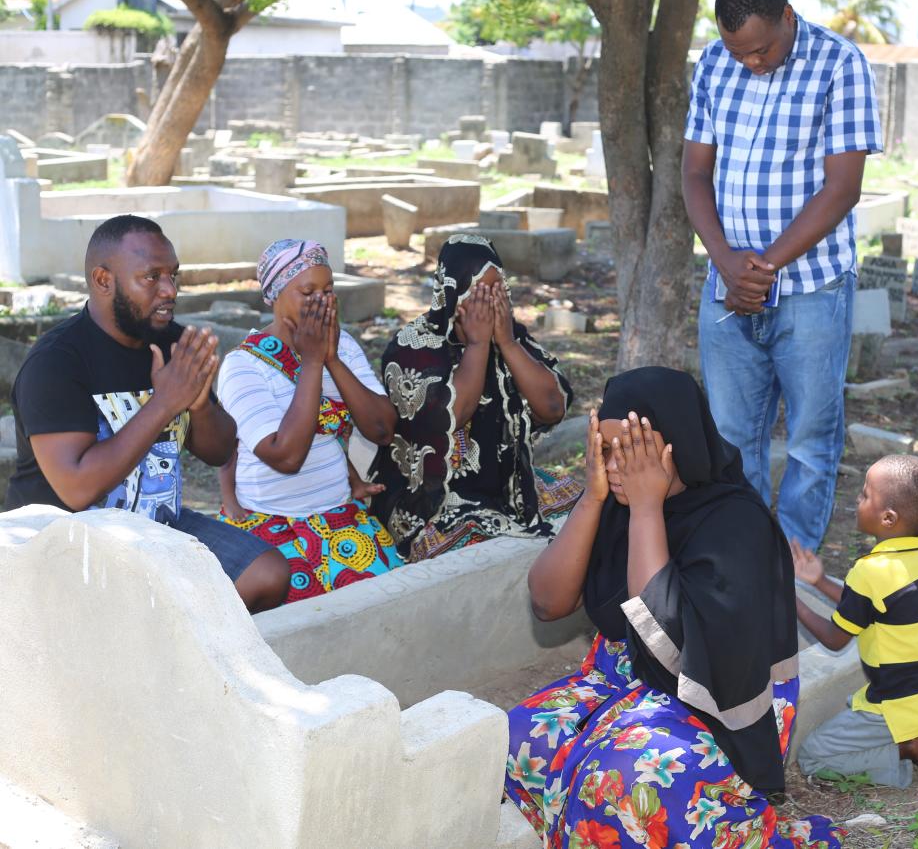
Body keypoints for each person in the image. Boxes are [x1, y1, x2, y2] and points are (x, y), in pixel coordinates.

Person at [505, 367, 843, 848]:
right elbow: (547, 603)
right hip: (623, 680)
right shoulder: (615, 500)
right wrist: (592, 499)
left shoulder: (735, 522)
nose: (617, 465)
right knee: (521, 735)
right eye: (606, 449)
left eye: (633, 449)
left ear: (676, 445)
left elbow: (671, 640)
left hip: (716, 699)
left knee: (621, 776)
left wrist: (646, 510)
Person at [682, 0, 883, 551]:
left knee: (810, 445)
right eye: (737, 50)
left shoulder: (840, 63)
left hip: (811, 289)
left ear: (788, 17)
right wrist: (725, 263)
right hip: (726, 291)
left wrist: (762, 268)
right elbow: (695, 173)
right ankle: (745, 569)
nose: (749, 62)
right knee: (729, 441)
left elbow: (843, 188)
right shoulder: (715, 64)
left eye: (762, 50)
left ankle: (794, 576)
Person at [4, 215, 290, 613]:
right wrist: (164, 402)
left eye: (173, 275)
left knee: (267, 575)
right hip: (66, 541)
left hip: (157, 523)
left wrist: (197, 402)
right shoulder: (57, 363)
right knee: (143, 618)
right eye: (151, 277)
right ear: (104, 280)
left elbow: (220, 451)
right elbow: (76, 488)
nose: (170, 290)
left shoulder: (172, 343)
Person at [369, 234, 580, 561]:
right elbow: (454, 414)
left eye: (498, 291)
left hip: (508, 488)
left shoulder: (511, 338)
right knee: (480, 554)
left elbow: (552, 408)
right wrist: (479, 347)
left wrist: (507, 344)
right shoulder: (413, 348)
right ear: (452, 293)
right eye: (479, 292)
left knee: (584, 518)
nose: (490, 304)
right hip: (432, 502)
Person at [216, 239, 403, 602]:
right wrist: (313, 362)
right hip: (272, 524)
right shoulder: (243, 365)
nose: (321, 301)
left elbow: (381, 430)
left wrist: (332, 358)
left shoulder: (342, 346)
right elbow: (285, 456)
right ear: (274, 294)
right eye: (307, 291)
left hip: (341, 520)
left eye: (328, 290)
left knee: (380, 612)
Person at [794, 455, 918, 794]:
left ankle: (913, 748)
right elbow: (869, 603)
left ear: (888, 518)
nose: (857, 499)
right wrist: (820, 581)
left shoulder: (869, 571)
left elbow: (835, 639)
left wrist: (790, 602)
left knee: (812, 755)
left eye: (865, 495)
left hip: (897, 702)